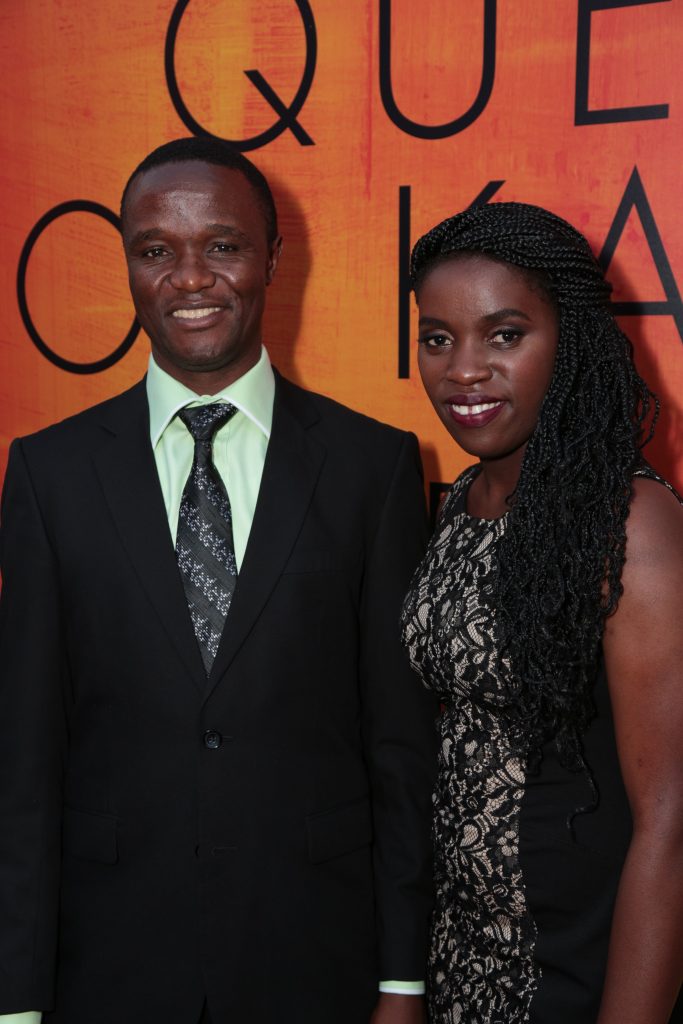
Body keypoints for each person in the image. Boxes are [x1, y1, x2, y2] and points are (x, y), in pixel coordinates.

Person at [0, 137, 437, 1024]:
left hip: (317, 962)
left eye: (223, 246)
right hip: (108, 970)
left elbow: (399, 746)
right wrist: (15, 1002)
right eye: (155, 249)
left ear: (273, 258)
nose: (189, 278)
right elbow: (24, 762)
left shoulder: (373, 467)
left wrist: (401, 981)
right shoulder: (47, 474)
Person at [400, 201, 683, 1023]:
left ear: (570, 344)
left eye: (503, 334)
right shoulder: (463, 499)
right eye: (437, 337)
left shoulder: (631, 524)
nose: (462, 371)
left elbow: (670, 820)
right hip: (458, 962)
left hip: (572, 971)